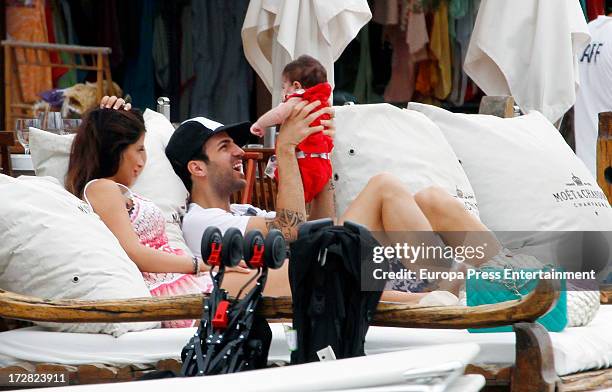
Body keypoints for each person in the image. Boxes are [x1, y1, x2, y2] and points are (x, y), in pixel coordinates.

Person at [164, 96, 501, 303]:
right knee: (384, 186)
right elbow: (292, 230)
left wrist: (318, 157)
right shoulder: (200, 221)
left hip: (333, 267)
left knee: (431, 199)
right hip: (321, 286)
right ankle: (453, 288)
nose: (240, 151)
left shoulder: (242, 210)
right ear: (197, 168)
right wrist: (285, 150)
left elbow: (313, 228)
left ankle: (506, 269)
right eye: (225, 148)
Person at [65, 104, 248, 328]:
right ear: (117, 149)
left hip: (181, 280)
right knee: (270, 281)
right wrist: (203, 265)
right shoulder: (102, 189)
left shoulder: (115, 191)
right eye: (139, 149)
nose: (144, 160)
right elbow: (134, 252)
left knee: (270, 280)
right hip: (170, 289)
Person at [250, 55, 333, 205]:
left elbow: (279, 114)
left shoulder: (298, 98)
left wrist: (260, 123)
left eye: (283, 87)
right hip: (323, 163)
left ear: (296, 86)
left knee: (294, 204)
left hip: (304, 162)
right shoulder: (322, 102)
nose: (283, 93)